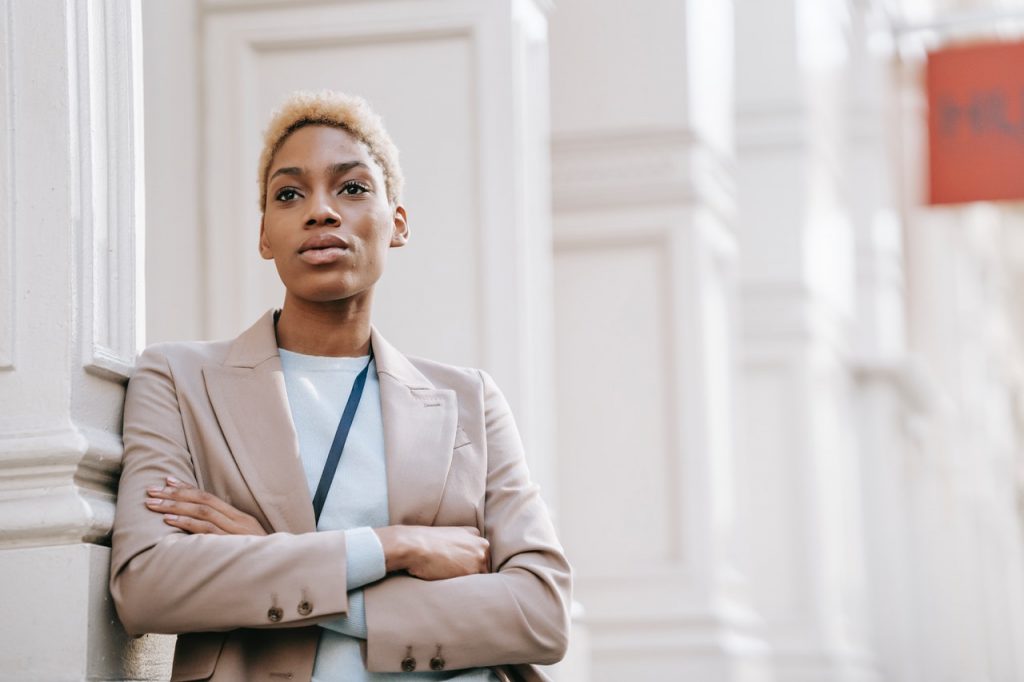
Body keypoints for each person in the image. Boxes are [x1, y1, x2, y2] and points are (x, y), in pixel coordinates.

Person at [109, 90, 572, 682]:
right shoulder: (178, 380)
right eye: (289, 194)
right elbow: (147, 585)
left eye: (351, 188)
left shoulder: (468, 400)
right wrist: (391, 547)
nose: (320, 211)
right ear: (264, 236)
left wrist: (266, 554)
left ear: (397, 223)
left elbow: (541, 614)